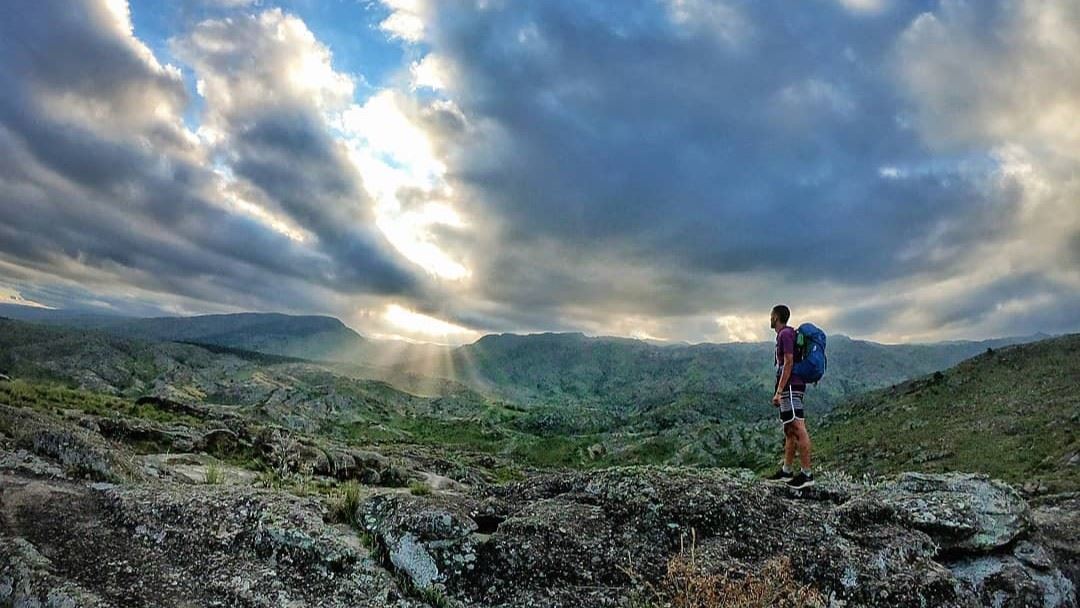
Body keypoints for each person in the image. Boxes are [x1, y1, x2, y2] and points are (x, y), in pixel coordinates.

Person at [765, 304, 814, 488]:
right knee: (789, 429)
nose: (770, 318)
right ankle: (786, 471)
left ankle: (807, 474)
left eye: (771, 315)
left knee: (798, 427)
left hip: (791, 386)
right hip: (791, 386)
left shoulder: (785, 334)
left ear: (776, 317)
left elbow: (788, 362)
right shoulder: (787, 334)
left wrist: (779, 391)